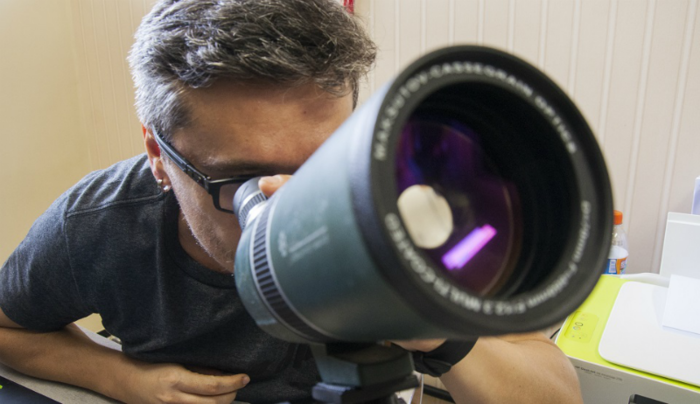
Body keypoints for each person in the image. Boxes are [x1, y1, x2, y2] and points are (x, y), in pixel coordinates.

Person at [0, 1, 583, 403]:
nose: (291, 206)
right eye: (245, 182)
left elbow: (554, 393)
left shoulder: (401, 201)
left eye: (322, 168)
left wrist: (433, 325)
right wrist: (120, 378)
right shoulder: (98, 225)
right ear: (159, 155)